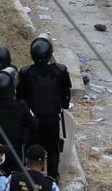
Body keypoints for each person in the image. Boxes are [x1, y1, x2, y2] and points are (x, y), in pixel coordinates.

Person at [17, 37, 72, 180]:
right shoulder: (60, 71)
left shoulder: (25, 73)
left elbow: (20, 97)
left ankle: (31, 179)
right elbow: (66, 98)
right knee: (53, 150)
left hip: (32, 120)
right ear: (50, 53)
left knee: (32, 150)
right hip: (52, 119)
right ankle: (53, 178)